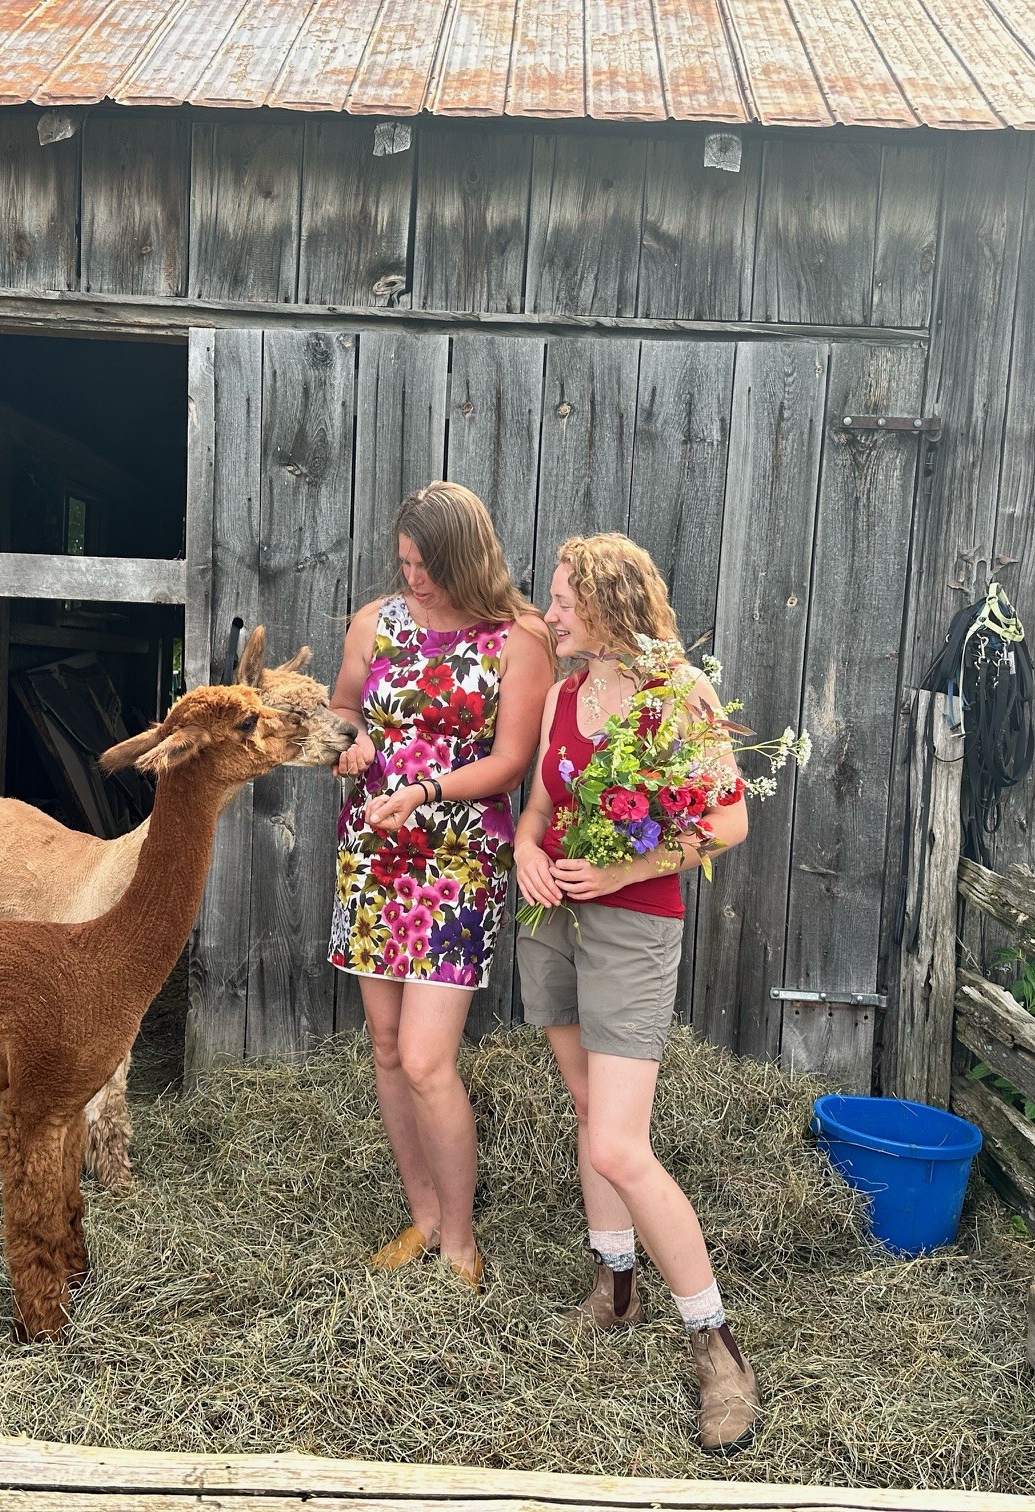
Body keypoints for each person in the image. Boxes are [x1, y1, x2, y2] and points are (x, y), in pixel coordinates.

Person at [513, 533, 760, 1453]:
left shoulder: (678, 694)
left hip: (633, 923)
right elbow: (536, 807)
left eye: (566, 598)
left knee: (619, 1141)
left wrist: (624, 874)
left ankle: (719, 1352)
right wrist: (531, 852)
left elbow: (729, 819)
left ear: (613, 600)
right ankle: (612, 1290)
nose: (551, 612)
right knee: (588, 1112)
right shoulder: (566, 696)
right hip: (554, 923)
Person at [328, 482, 552, 1290]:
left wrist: (425, 793)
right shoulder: (376, 622)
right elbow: (346, 706)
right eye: (404, 564)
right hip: (372, 852)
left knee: (428, 1059)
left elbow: (511, 762)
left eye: (425, 565)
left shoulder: (517, 638)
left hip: (454, 864)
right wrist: (349, 746)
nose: (412, 580)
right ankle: (421, 1216)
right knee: (387, 1050)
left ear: (464, 558)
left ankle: (459, 1239)